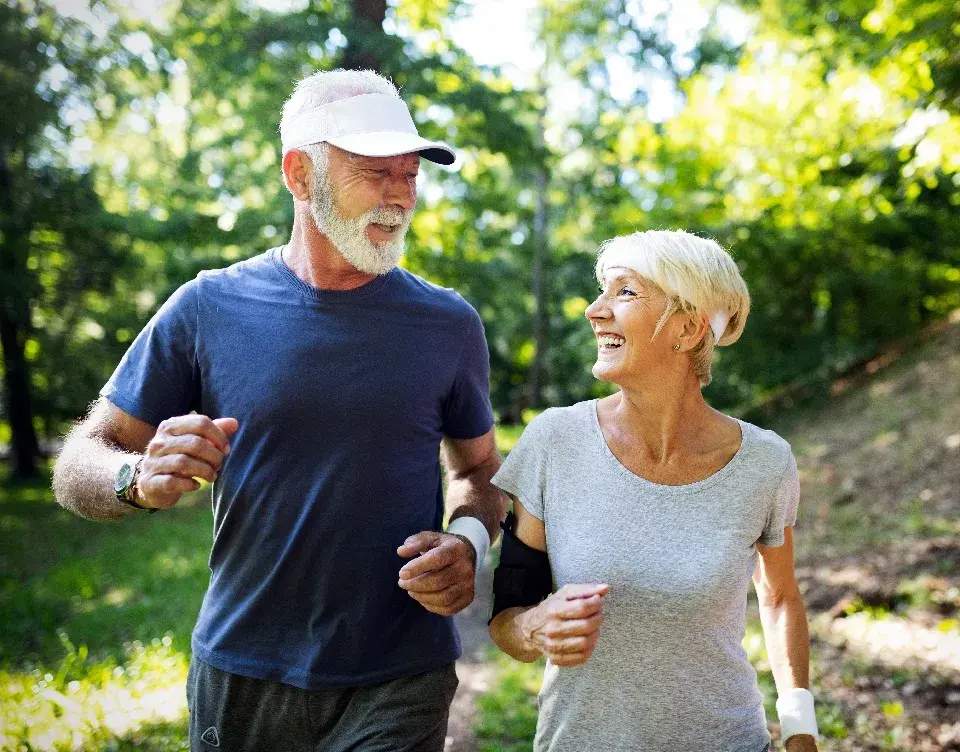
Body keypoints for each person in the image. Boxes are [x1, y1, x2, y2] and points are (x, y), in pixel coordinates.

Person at [52, 69, 506, 752]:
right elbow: (77, 461)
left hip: (400, 675)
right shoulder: (205, 308)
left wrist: (468, 541)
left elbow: (479, 471)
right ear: (300, 174)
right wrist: (134, 479)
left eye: (410, 174)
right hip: (242, 674)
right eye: (377, 172)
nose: (401, 196)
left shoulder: (448, 323)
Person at [488, 230, 819, 752]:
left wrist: (800, 727)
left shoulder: (764, 461)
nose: (595, 311)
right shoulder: (555, 442)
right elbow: (506, 618)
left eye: (624, 292)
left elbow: (779, 598)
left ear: (686, 329)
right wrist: (534, 627)